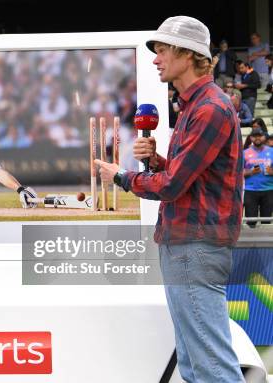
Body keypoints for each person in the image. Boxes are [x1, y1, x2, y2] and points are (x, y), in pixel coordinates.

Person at [95, 16, 244, 382]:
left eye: (162, 50)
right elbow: (189, 176)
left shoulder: (209, 107)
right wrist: (155, 161)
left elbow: (174, 185)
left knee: (211, 367)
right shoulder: (195, 105)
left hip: (195, 245)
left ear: (187, 54)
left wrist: (123, 177)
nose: (156, 58)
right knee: (194, 365)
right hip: (186, 242)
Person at [243, 127, 273, 227]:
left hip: (269, 190)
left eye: (259, 135)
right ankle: (250, 242)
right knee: (251, 222)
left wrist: (271, 171)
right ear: (251, 138)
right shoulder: (245, 153)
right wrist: (250, 172)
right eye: (254, 136)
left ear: (264, 137)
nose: (257, 138)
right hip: (250, 190)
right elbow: (237, 173)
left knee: (266, 222)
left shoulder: (272, 151)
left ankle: (266, 243)